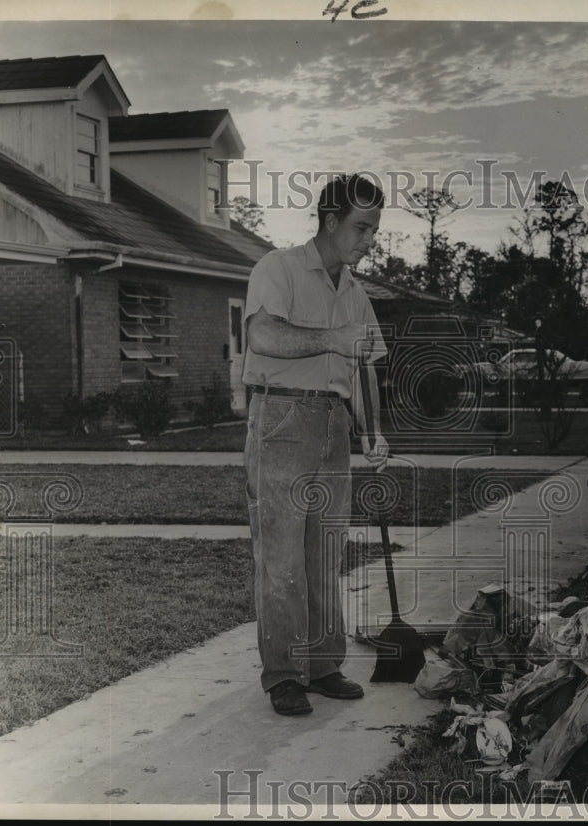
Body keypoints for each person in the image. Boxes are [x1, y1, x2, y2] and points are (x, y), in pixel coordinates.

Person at [242, 173, 389, 716]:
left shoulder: (353, 291)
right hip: (281, 415)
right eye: (362, 227)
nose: (370, 239)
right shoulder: (276, 267)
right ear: (331, 221)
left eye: (374, 229)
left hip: (334, 422)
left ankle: (324, 665)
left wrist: (373, 429)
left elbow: (366, 364)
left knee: (326, 551)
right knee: (280, 555)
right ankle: (282, 673)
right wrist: (333, 339)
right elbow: (262, 335)